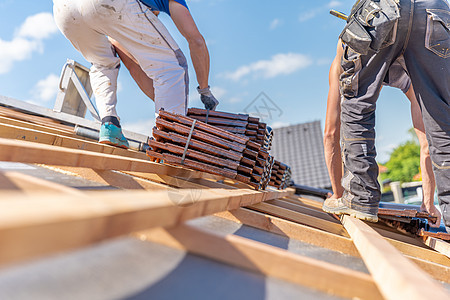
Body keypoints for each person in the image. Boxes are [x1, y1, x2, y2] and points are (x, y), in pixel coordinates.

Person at [322, 0, 449, 231]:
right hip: (433, 10)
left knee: (356, 102)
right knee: (442, 120)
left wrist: (339, 195)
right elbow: (429, 142)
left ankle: (359, 198)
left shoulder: (346, 53)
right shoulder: (411, 73)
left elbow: (331, 132)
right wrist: (428, 204)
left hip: (383, 8)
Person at [53, 0, 219, 149]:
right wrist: (204, 90)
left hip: (64, 9)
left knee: (102, 62)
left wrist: (169, 103)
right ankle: (171, 143)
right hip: (105, 4)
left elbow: (134, 67)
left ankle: (110, 125)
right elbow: (196, 41)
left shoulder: (119, 24)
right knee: (172, 67)